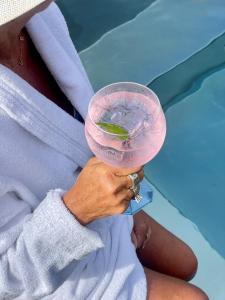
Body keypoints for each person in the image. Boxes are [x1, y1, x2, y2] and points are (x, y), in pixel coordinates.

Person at [0, 1, 209, 299]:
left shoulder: (40, 17)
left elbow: (74, 135)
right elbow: (6, 282)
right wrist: (79, 209)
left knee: (185, 263)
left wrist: (131, 200)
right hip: (60, 267)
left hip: (106, 211)